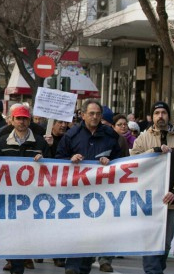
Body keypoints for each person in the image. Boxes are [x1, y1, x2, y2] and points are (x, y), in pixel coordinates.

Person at [56, 99, 122, 274]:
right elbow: (57, 160)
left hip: (100, 194)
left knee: (92, 233)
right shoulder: (71, 135)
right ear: (83, 115)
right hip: (76, 193)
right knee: (76, 230)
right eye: (91, 113)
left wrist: (111, 162)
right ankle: (72, 265)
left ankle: (84, 267)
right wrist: (69, 160)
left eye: (98, 114)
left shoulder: (110, 136)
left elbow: (122, 162)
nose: (94, 117)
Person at [131, 101, 174, 274]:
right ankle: (153, 271)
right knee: (151, 239)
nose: (160, 116)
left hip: (171, 200)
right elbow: (133, 161)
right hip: (148, 199)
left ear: (169, 115)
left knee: (165, 241)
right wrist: (154, 151)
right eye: (157, 113)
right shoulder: (143, 138)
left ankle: (157, 269)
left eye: (163, 113)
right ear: (152, 116)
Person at [0, 105, 48, 274]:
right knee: (12, 231)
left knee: (26, 231)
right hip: (9, 196)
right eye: (18, 118)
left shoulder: (40, 142)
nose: (21, 122)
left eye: (25, 118)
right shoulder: (1, 141)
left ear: (30, 120)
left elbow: (54, 165)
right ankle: (16, 264)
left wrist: (44, 159)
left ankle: (23, 258)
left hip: (32, 197)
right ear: (11, 120)